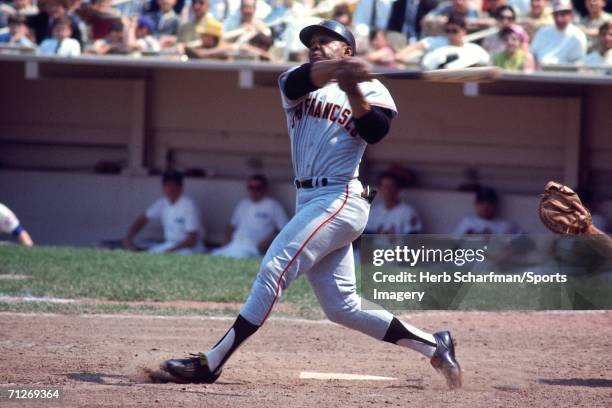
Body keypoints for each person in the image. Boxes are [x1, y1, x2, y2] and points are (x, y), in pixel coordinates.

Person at [157, 19, 462, 390]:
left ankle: (212, 362)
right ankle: (435, 345)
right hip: (309, 200)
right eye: (312, 42)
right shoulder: (295, 82)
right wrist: (340, 71)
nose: (315, 46)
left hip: (340, 197)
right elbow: (303, 79)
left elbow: (376, 132)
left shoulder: (373, 88)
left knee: (275, 267)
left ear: (348, 49)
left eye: (327, 41)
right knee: (342, 307)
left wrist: (353, 89)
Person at [122, 170, 205, 254]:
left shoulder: (189, 205)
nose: (170, 189)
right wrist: (128, 238)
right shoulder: (162, 203)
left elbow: (192, 240)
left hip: (189, 248)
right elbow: (142, 219)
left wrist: (171, 250)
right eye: (167, 185)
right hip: (170, 244)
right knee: (148, 255)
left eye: (173, 185)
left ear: (181, 187)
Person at [211, 174, 288, 258]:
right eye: (251, 187)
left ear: (265, 189)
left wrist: (268, 242)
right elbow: (231, 225)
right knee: (214, 255)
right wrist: (225, 240)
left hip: (253, 249)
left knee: (238, 256)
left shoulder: (273, 205)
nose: (254, 191)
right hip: (235, 243)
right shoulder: (243, 204)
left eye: (258, 188)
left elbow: (284, 229)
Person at [397, 14, 490, 69]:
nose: (451, 34)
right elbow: (402, 55)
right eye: (448, 31)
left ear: (464, 31)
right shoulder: (437, 42)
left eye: (454, 31)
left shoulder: (475, 50)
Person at [530, 0, 587, 65]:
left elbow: (577, 63)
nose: (559, 18)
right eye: (556, 14)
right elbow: (532, 53)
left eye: (563, 14)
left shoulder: (578, 35)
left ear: (570, 15)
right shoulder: (543, 32)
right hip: (540, 71)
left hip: (564, 72)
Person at [453, 187, 522, 235]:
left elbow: (528, 242)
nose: (485, 206)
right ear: (476, 204)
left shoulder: (505, 225)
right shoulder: (467, 222)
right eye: (481, 202)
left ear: (495, 205)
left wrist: (507, 251)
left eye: (489, 203)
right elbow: (452, 245)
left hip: (496, 254)